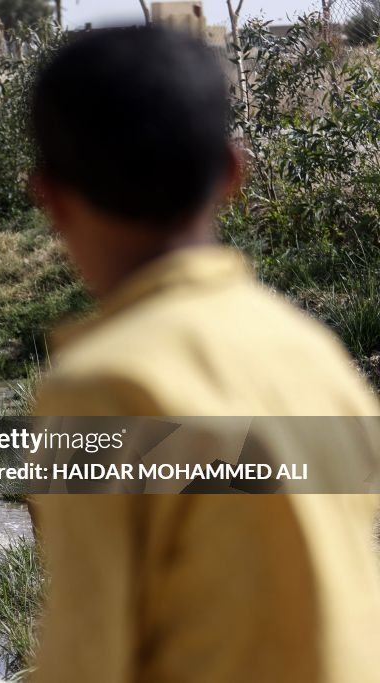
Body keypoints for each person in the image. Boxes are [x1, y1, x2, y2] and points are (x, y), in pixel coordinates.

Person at [25, 27, 380, 682]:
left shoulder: (104, 388)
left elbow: (89, 656)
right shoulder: (314, 353)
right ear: (234, 171)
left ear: (49, 195)